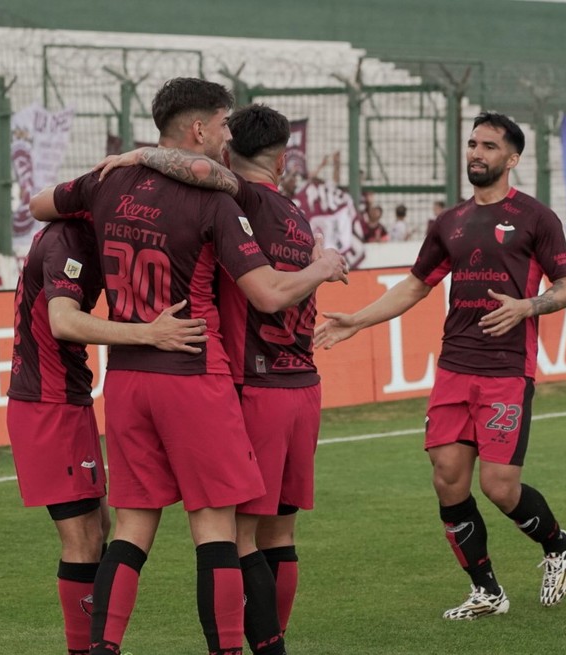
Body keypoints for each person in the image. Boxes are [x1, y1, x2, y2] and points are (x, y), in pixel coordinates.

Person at [30, 77, 347, 655]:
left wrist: (129, 164)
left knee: (130, 529)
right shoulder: (215, 200)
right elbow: (269, 295)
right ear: (200, 129)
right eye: (224, 124)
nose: (229, 136)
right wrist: (324, 266)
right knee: (216, 530)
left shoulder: (107, 180)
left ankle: (101, 649)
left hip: (126, 377)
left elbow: (39, 205)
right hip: (193, 369)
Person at [315, 112, 566, 621]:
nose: (476, 153)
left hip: (506, 369)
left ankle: (558, 544)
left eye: (488, 146)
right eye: (472, 144)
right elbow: (416, 284)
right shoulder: (449, 223)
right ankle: (487, 591)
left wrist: (528, 306)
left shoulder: (537, 217)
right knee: (447, 478)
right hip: (455, 366)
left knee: (499, 486)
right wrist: (358, 322)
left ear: (512, 158)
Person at [94, 103, 324, 650]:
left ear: (226, 150)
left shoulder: (236, 197)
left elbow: (198, 174)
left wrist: (139, 155)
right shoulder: (296, 215)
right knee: (279, 534)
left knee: (231, 536)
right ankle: (273, 642)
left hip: (243, 383)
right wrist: (322, 266)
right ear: (284, 157)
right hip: (301, 383)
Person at [7, 219, 209, 655]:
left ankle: (96, 645)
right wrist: (149, 334)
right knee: (81, 540)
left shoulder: (80, 234)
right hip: (47, 405)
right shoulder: (68, 241)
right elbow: (63, 321)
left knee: (97, 530)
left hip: (66, 401)